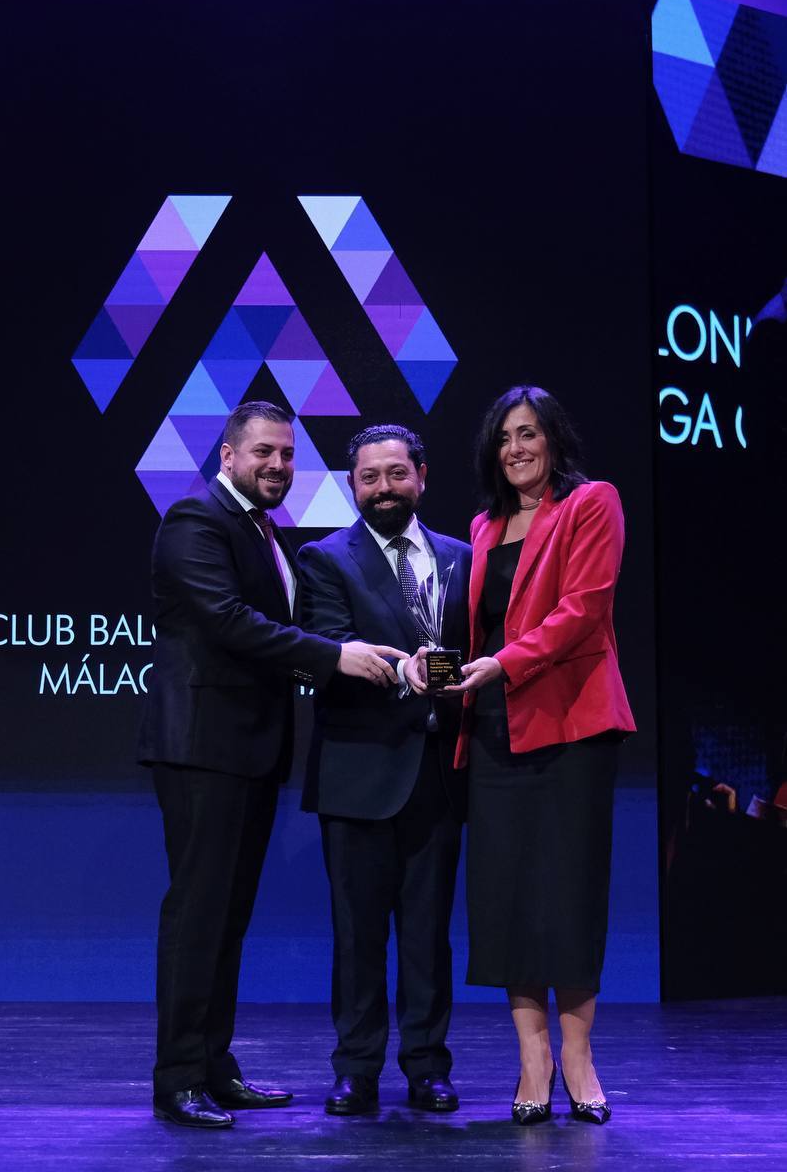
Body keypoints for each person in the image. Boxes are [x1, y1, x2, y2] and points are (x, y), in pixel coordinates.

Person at [138, 401, 406, 1130]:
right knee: (197, 916)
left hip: (247, 752)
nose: (277, 466)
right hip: (201, 748)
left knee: (225, 919)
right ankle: (177, 1079)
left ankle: (213, 1067)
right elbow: (227, 621)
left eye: (286, 455)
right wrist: (333, 655)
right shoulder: (194, 521)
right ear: (227, 456)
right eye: (263, 453)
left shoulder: (260, 530)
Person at [430, 386, 635, 1125]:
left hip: (572, 727)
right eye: (504, 438)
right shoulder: (483, 527)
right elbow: (473, 632)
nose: (515, 449)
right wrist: (442, 669)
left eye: (528, 434)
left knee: (569, 896)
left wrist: (501, 665)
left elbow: (581, 612)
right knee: (507, 899)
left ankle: (578, 1058)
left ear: (552, 439)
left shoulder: (590, 504)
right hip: (493, 732)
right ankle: (532, 1060)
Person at [298, 425, 470, 1116]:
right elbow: (330, 647)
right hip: (358, 773)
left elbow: (475, 647)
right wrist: (402, 671)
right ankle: (356, 1068)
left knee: (428, 934)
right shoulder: (324, 559)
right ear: (353, 485)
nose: (382, 489)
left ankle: (427, 1066)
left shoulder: (462, 555)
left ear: (421, 476)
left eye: (395, 474)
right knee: (358, 933)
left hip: (437, 770)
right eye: (368, 478)